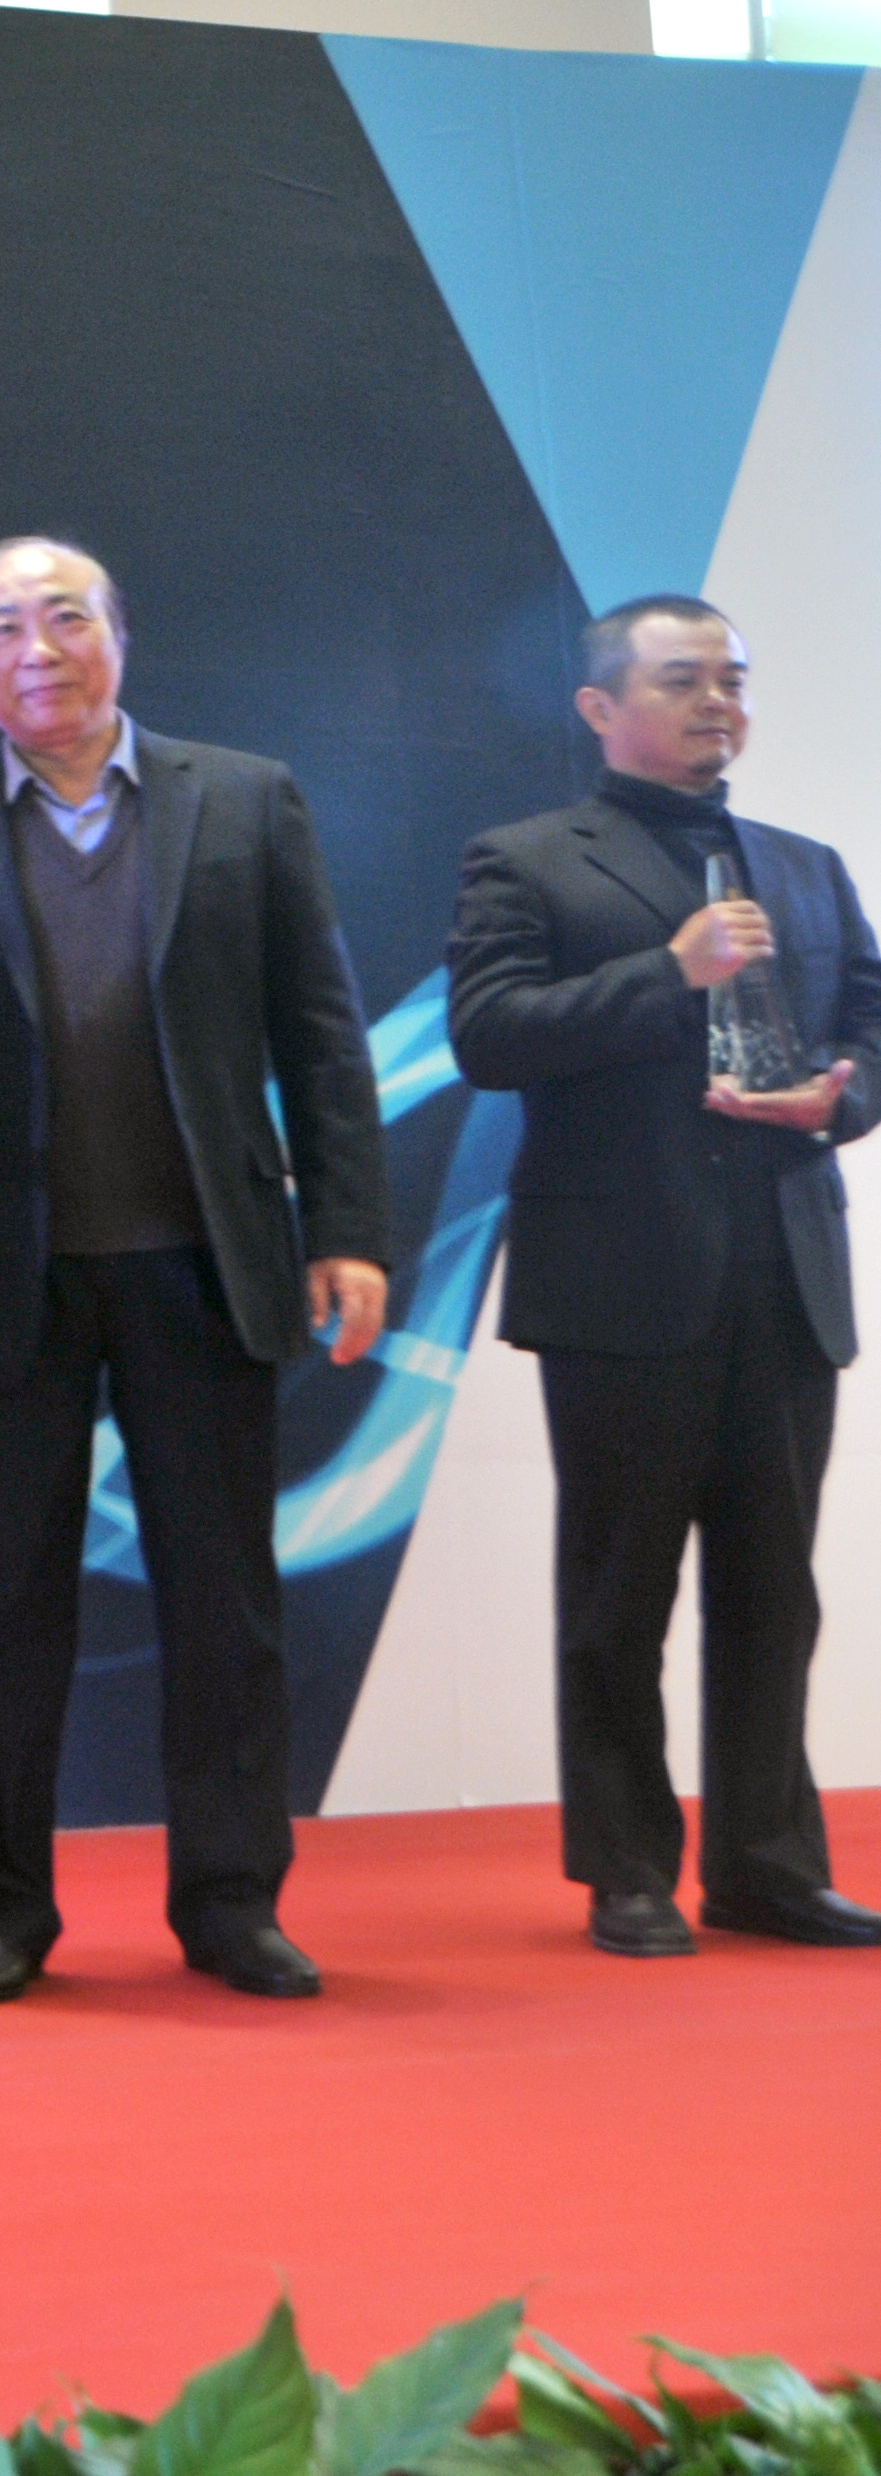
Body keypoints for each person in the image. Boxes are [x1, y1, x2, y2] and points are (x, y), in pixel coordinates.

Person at [0, 538, 389, 2005]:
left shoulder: (245, 801)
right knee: (3, 1609)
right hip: (4, 1280)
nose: (40, 650)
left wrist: (348, 1228)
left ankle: (230, 1903)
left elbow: (321, 1035)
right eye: (2, 629)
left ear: (119, 635)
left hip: (204, 1263)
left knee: (225, 1602)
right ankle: (1, 1911)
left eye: (65, 618)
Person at [445, 595, 881, 1956]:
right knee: (617, 1594)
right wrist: (668, 974)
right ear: (599, 708)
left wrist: (839, 1099)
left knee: (775, 1591)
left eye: (732, 680)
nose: (716, 704)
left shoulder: (803, 866)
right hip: (619, 1281)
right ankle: (626, 1868)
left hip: (784, 1271)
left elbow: (871, 1024)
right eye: (683, 679)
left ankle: (767, 1866)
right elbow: (491, 1036)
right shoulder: (527, 860)